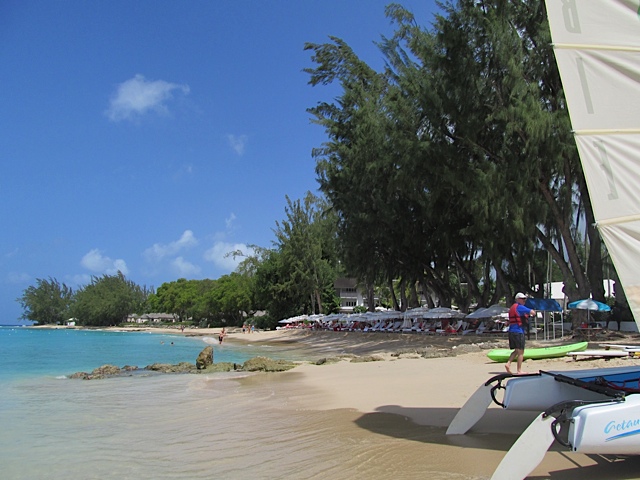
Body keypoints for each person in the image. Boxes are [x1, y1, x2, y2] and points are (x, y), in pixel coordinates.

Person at [505, 292, 536, 375]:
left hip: (511, 332)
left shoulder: (512, 308)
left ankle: (508, 363)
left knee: (516, 351)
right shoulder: (520, 307)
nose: (524, 300)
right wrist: (530, 313)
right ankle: (519, 370)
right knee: (521, 352)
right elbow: (533, 312)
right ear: (518, 299)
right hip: (518, 332)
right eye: (522, 299)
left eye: (524, 299)